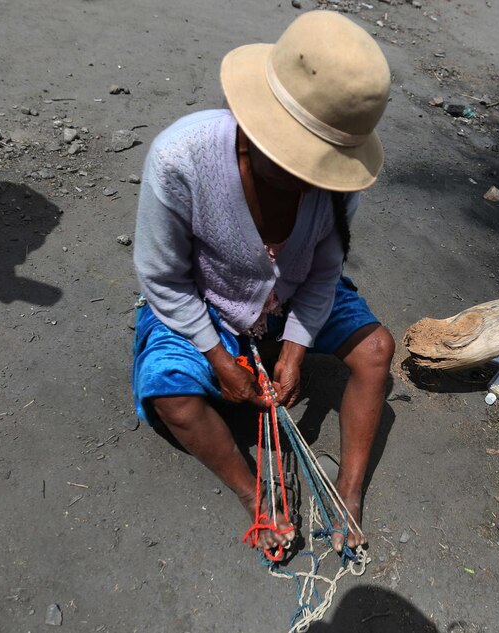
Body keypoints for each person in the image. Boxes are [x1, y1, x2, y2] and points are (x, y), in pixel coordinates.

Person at [131, 11, 393, 554]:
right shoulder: (182, 159)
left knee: (376, 350)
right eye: (296, 161)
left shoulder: (337, 182)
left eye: (321, 167)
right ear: (252, 127)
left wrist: (295, 349)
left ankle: (347, 494)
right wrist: (219, 359)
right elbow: (163, 277)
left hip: (293, 294)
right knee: (172, 394)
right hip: (206, 297)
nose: (309, 181)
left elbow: (324, 274)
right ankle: (255, 497)